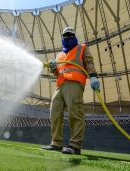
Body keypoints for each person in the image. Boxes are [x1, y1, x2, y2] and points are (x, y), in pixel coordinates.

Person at [42, 27, 100, 155]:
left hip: (74, 83)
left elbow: (89, 63)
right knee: (54, 112)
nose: (67, 38)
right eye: (65, 36)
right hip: (60, 84)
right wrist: (53, 68)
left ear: (74, 36)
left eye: (70, 35)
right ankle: (56, 143)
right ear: (62, 37)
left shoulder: (82, 48)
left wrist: (94, 77)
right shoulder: (60, 55)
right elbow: (58, 73)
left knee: (75, 113)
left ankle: (75, 145)